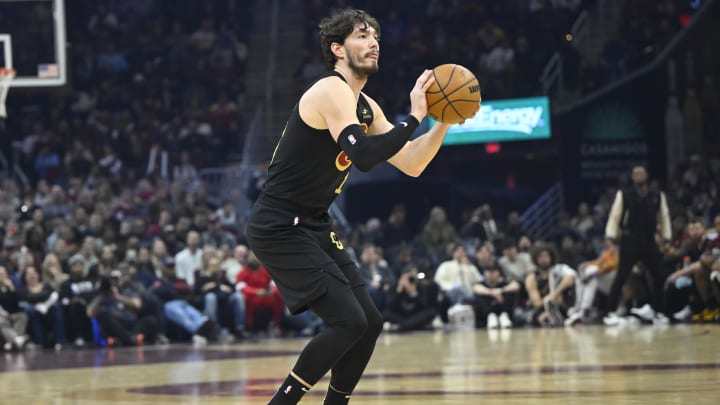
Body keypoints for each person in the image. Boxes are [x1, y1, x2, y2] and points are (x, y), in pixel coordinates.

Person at [244, 9, 479, 405]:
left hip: (313, 223)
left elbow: (412, 163)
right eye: (361, 35)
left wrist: (442, 119)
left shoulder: (365, 105)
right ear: (337, 49)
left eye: (376, 37)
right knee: (347, 321)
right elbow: (365, 155)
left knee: (369, 323)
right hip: (279, 223)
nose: (373, 42)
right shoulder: (330, 90)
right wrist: (414, 116)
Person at [603, 165, 671, 325]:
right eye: (635, 174)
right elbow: (615, 215)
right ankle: (609, 312)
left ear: (646, 175)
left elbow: (664, 216)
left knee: (659, 274)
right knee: (622, 275)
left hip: (649, 239)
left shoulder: (657, 195)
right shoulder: (624, 194)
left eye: (641, 173)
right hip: (630, 239)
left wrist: (666, 236)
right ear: (632, 177)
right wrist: (611, 235)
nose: (638, 176)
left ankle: (658, 311)